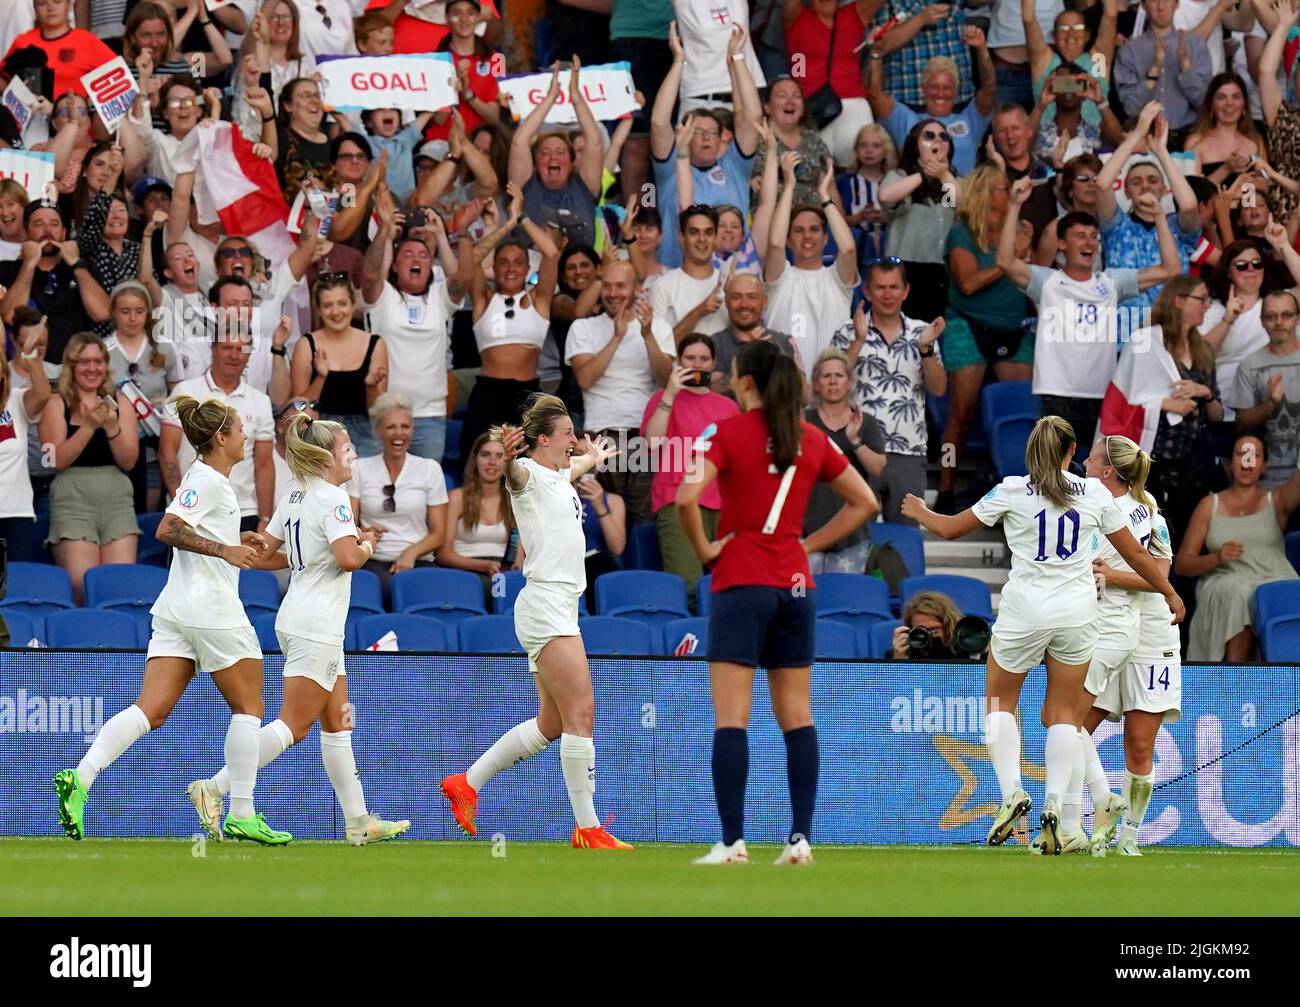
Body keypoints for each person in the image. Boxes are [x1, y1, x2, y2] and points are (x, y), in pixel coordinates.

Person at [901, 416, 1184, 854]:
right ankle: (1056, 803)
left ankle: (1013, 791)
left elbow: (949, 529)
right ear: (1072, 453)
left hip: (1024, 614)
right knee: (1066, 716)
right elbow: (1136, 555)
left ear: (1032, 450)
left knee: (1000, 701)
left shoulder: (1012, 489)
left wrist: (920, 511)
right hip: (1076, 615)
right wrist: (1169, 592)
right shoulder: (1092, 493)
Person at [54, 394, 290, 846]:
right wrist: (224, 549)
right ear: (220, 438)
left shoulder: (207, 479)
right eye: (239, 429)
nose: (245, 436)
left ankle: (81, 778)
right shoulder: (211, 482)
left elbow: (190, 528)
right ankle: (241, 812)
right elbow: (167, 528)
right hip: (211, 610)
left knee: (151, 711)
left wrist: (228, 537)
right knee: (249, 708)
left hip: (176, 610)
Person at [676, 339, 877, 865]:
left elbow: (684, 496)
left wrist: (704, 549)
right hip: (794, 583)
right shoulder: (809, 437)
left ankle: (732, 841)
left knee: (732, 719)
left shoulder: (728, 431)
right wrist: (807, 545)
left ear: (745, 382)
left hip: (741, 578)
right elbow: (866, 501)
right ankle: (801, 839)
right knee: (797, 715)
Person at [188, 413, 410, 847]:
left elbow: (272, 552)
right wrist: (367, 543)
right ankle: (214, 789)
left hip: (300, 618)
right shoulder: (335, 499)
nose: (353, 457)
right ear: (327, 457)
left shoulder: (295, 494)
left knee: (338, 723)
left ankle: (358, 820)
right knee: (293, 725)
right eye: (347, 450)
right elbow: (348, 558)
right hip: (318, 624)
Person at [439, 394, 633, 851]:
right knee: (581, 714)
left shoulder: (559, 474)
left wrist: (592, 457)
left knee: (551, 723)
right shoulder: (526, 474)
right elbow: (516, 473)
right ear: (542, 439)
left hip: (557, 606)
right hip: (546, 605)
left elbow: (571, 468)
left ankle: (466, 783)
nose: (573, 439)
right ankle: (588, 829)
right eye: (567, 434)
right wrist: (508, 458)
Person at [997, 176, 1181, 449]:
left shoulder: (1112, 282)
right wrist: (1013, 206)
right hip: (1055, 393)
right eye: (1080, 236)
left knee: (1096, 475)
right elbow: (1004, 261)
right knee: (1055, 474)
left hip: (1102, 393)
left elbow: (1170, 270)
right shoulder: (1046, 281)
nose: (1090, 243)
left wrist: (1159, 217)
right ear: (1061, 244)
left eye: (1094, 237)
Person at [1081, 434, 1173, 857]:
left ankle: (1129, 836)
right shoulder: (1082, 506)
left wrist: (1111, 576)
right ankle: (1084, 823)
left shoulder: (1150, 512)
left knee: (1139, 743)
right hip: (1104, 627)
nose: (1083, 460)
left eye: (1093, 456)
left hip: (1151, 632)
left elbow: (1160, 577)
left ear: (1108, 470)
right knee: (1074, 726)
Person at [1102, 275, 1225, 551]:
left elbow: (1217, 414)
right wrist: (1165, 404)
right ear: (1179, 301)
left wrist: (1204, 392)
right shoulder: (1145, 342)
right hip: (1155, 457)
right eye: (1201, 299)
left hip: (1195, 457)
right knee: (1153, 538)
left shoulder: (1203, 349)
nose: (1207, 306)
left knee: (1189, 537)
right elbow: (1121, 403)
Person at [938, 164, 1035, 513]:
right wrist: (1008, 260)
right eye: (999, 188)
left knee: (1026, 411)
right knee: (960, 414)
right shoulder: (962, 233)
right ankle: (946, 489)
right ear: (982, 193)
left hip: (1016, 327)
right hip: (968, 324)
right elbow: (968, 283)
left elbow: (1030, 277)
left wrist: (1025, 256)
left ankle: (1026, 491)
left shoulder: (1023, 228)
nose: (1007, 192)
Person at [833, 260, 946, 525]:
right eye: (880, 287)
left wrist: (926, 349)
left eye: (894, 287)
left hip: (908, 452)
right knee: (854, 540)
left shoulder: (923, 332)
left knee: (903, 545)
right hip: (856, 450)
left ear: (906, 290)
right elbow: (832, 385)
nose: (887, 294)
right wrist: (859, 340)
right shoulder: (847, 332)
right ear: (867, 292)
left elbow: (939, 389)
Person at [563, 258, 675, 527]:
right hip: (601, 437)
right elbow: (586, 380)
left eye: (621, 286)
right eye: (607, 286)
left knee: (644, 521)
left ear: (638, 288)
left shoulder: (659, 327)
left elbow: (666, 380)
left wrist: (647, 335)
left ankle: (636, 571)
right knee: (602, 519)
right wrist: (617, 337)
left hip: (644, 438)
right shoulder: (583, 327)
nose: (613, 293)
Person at [361, 191, 468, 464]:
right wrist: (385, 232)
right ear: (396, 266)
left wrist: (441, 236)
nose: (416, 259)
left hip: (430, 415)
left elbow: (460, 281)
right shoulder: (384, 296)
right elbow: (371, 274)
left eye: (422, 255)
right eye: (407, 254)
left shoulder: (438, 298)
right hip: (386, 413)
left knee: (424, 493)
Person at [460, 183, 561, 461]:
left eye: (519, 262)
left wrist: (522, 216)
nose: (512, 268)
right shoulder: (484, 300)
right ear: (495, 268)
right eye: (504, 262)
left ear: (529, 269)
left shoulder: (539, 300)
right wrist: (505, 227)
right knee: (480, 464)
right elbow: (472, 259)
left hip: (528, 395)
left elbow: (551, 253)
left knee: (530, 470)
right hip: (487, 393)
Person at [1178, 434, 1300, 660]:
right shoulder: (1209, 505)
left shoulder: (1278, 500)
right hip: (1225, 581)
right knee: (1242, 594)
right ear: (1229, 463)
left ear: (1264, 465)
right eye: (1241, 454)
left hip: (1274, 577)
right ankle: (1237, 682)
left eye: (1255, 455)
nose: (1248, 460)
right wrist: (1216, 558)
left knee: (1269, 593)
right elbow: (1182, 564)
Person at [39, 331, 140, 604]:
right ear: (71, 366)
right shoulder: (56, 403)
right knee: (80, 584)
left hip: (117, 500)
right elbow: (53, 461)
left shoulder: (121, 403)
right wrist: (88, 427)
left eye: (98, 361)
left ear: (106, 365)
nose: (92, 368)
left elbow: (129, 460)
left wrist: (111, 428)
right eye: (84, 362)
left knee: (117, 587)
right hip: (73, 499)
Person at [641, 334, 740, 605]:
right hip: (676, 498)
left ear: (714, 363)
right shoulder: (661, 399)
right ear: (679, 362)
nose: (697, 364)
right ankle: (690, 645)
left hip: (723, 504)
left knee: (731, 584)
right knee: (688, 586)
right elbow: (651, 443)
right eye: (690, 358)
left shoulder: (728, 406)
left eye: (703, 359)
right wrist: (670, 394)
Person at [162, 324, 276, 533]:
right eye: (227, 347)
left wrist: (265, 518)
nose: (234, 355)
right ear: (212, 349)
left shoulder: (261, 401)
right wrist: (182, 504)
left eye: (241, 349)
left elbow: (264, 464)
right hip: (192, 509)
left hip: (242, 511)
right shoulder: (184, 391)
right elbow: (167, 453)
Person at [346, 392, 449, 607]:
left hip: (418, 560)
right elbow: (349, 525)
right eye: (391, 427)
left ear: (412, 430)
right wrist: (364, 534)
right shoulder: (359, 469)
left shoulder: (429, 469)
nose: (398, 434)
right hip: (371, 559)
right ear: (378, 432)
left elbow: (439, 534)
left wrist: (410, 553)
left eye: (405, 426)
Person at [762, 152, 857, 376]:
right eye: (798, 230)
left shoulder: (838, 279)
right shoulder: (781, 277)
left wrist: (824, 196)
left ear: (826, 238)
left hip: (831, 389)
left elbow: (849, 249)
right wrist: (788, 187)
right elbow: (774, 243)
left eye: (814, 230)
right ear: (789, 238)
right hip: (786, 390)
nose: (807, 236)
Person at [507, 59, 604, 250]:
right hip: (531, 269)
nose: (553, 158)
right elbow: (519, 143)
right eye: (545, 153)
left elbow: (594, 141)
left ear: (571, 162)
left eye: (561, 152)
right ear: (534, 163)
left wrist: (575, 96)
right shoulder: (526, 186)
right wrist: (551, 97)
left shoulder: (584, 185)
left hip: (578, 271)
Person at [0, 201, 110, 369]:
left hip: (76, 371)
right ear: (25, 232)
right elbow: (11, 316)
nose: (47, 231)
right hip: (27, 371)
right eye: (38, 224)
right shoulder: (8, 269)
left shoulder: (84, 269)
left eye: (54, 224)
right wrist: (29, 264)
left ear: (64, 232)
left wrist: (76, 263)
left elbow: (102, 313)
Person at [804, 348, 885, 574]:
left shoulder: (865, 422)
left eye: (838, 376)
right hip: (806, 532)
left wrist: (854, 440)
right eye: (826, 376)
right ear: (816, 383)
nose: (832, 382)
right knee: (803, 602)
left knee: (842, 603)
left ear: (849, 382)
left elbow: (877, 468)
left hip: (852, 536)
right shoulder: (803, 421)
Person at [290, 274, 387, 458]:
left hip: (366, 438)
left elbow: (377, 412)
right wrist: (321, 377)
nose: (336, 312)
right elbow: (299, 410)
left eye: (342, 303)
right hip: (319, 436)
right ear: (318, 310)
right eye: (327, 305)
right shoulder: (306, 344)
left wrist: (371, 385)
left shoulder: (375, 344)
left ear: (353, 305)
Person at [104, 280, 178, 513]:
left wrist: (165, 404)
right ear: (114, 312)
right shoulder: (103, 351)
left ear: (148, 313)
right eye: (125, 311)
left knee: (152, 504)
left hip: (157, 443)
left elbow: (180, 395)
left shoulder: (165, 348)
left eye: (139, 311)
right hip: (116, 443)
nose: (133, 318)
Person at [866, 49, 996, 179]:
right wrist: (876, 53)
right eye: (934, 87)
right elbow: (874, 94)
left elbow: (990, 87)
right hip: (919, 195)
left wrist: (981, 48)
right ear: (924, 88)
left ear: (956, 91)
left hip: (959, 193)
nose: (940, 93)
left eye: (947, 88)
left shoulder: (969, 120)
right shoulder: (906, 119)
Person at [878, 119, 960, 322]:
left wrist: (943, 174)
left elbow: (958, 203)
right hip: (905, 268)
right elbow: (886, 196)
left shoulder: (952, 181)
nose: (937, 141)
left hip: (941, 269)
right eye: (929, 136)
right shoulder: (900, 175)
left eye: (944, 137)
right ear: (915, 144)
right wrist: (923, 174)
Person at [1229, 290, 1300, 490]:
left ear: (1297, 319)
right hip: (1266, 478)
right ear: (1261, 321)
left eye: (1286, 315)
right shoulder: (1249, 365)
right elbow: (1242, 424)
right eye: (1271, 316)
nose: (1278, 322)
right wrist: (1271, 404)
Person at [1113, 0, 1213, 139]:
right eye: (1153, 1)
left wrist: (1186, 67)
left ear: (1177, 3)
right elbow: (1131, 109)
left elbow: (1206, 104)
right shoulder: (1129, 51)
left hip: (1188, 138)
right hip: (1145, 139)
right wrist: (1153, 71)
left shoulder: (1196, 45)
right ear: (1143, 5)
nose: (1161, 6)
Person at [436, 431, 516, 600]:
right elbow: (443, 554)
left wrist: (511, 571)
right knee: (485, 594)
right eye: (485, 455)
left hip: (501, 573)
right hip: (464, 570)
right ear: (475, 460)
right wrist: (482, 566)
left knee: (510, 598)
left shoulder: (515, 500)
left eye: (499, 456)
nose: (492, 462)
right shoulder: (457, 498)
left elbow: (519, 555)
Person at [0, 310, 53, 563]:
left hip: (15, 514)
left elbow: (43, 395)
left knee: (15, 589)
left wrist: (31, 357)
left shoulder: (14, 400)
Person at [2, 0, 114, 100]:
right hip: (33, 119)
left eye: (57, 1)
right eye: (42, 3)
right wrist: (16, 102)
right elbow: (3, 77)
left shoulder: (87, 41)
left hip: (73, 119)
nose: (50, 8)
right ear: (35, 9)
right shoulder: (23, 42)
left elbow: (120, 75)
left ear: (69, 5)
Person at [709, 272, 800, 392]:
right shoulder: (714, 344)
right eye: (736, 297)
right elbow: (715, 390)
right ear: (726, 302)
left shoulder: (783, 341)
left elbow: (804, 396)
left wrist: (773, 353)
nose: (744, 304)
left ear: (764, 302)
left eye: (752, 297)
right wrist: (748, 356)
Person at [890, 590, 962, 659]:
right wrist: (900, 662)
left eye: (934, 630)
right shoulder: (898, 655)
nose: (928, 635)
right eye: (921, 630)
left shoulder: (962, 653)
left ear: (948, 628)